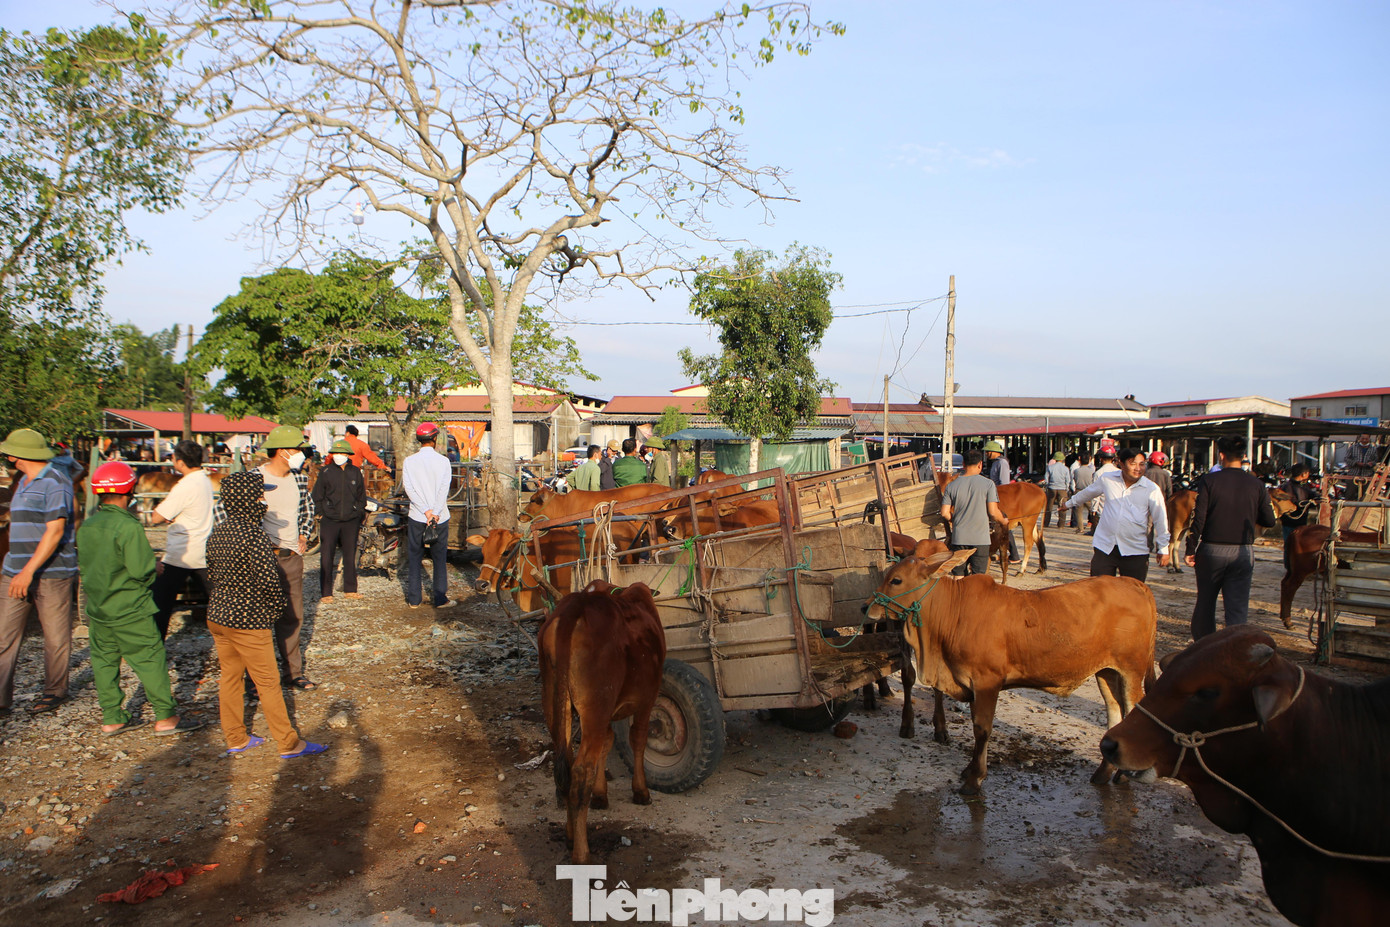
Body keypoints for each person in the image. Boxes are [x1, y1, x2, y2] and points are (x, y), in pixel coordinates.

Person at [205, 471, 327, 759]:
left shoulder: (218, 532)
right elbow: (270, 583)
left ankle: (236, 737)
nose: (264, 501)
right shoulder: (255, 536)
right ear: (248, 499)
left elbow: (211, 574)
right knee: (269, 682)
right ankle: (288, 743)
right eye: (260, 495)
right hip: (247, 620)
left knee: (230, 678)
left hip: (218, 616)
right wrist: (271, 612)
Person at [77, 462, 200, 735]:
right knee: (150, 658)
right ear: (129, 490)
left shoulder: (88, 526)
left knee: (104, 661)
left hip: (98, 608)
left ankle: (112, 717)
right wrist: (154, 566)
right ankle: (165, 717)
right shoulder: (127, 526)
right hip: (129, 607)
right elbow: (141, 570)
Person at [0, 428, 78, 715]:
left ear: (18, 455)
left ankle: (55, 690)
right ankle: (1, 698)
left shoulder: (56, 481)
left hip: (51, 573)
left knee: (56, 636)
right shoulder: (22, 481)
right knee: (4, 635)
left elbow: (55, 531)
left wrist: (28, 571)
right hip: (13, 569)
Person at [1185, 435, 1276, 639]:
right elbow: (1269, 520)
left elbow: (1199, 519)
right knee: (1237, 609)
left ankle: (1204, 649)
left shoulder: (1209, 480)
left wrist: (1191, 549)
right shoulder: (1256, 485)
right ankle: (1234, 652)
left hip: (1211, 551)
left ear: (1221, 455)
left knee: (1205, 604)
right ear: (1244, 456)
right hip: (1243, 552)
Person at [255, 424, 317, 690]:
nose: (301, 454)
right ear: (282, 452)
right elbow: (228, 516)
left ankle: (293, 673)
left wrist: (303, 533)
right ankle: (257, 679)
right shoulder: (253, 479)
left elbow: (307, 510)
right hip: (262, 560)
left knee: (292, 617)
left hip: (291, 557)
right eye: (297, 449)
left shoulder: (299, 479)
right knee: (258, 619)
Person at [1065, 446, 1170, 581]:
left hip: (1135, 550)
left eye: (1142, 464)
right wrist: (1068, 504)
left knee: (1131, 594)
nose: (1138, 468)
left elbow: (1160, 519)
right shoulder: (1108, 479)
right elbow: (1088, 492)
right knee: (1099, 590)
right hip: (1105, 547)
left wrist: (1163, 549)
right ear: (1121, 463)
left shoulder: (1151, 489)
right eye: (1133, 463)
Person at [149, 440, 215, 639]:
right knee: (218, 601)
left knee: (160, 602)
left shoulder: (184, 485)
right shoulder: (204, 479)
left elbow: (156, 517)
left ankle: (155, 645)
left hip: (180, 553)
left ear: (179, 462)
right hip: (203, 549)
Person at [402, 422, 453, 610]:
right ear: (434, 439)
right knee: (439, 557)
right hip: (440, 517)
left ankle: (414, 600)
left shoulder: (409, 461)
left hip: (417, 516)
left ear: (419, 440)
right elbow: (443, 489)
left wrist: (425, 511)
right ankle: (440, 598)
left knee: (414, 556)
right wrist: (436, 512)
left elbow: (410, 489)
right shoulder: (444, 461)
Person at [312, 438, 367, 603]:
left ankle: (350, 589)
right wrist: (321, 513)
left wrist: (358, 512)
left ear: (348, 455)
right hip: (330, 520)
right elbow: (317, 495)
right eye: (336, 453)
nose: (339, 455)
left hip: (350, 520)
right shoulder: (326, 472)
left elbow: (361, 496)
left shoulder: (355, 472)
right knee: (326, 556)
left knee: (350, 555)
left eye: (342, 453)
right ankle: (326, 592)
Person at [939, 450, 1009, 576]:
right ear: (980, 464)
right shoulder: (988, 484)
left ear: (963, 464)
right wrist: (1003, 521)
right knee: (978, 578)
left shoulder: (951, 486)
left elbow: (944, 513)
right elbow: (993, 512)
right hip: (980, 539)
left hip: (959, 538)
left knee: (958, 575)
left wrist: (954, 520)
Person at [981, 440, 1019, 563]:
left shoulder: (1002, 463)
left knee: (1003, 526)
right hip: (994, 495)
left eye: (988, 452)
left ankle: (1014, 554)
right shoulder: (995, 463)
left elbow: (1004, 484)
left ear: (994, 452)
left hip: (999, 497)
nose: (986, 454)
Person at [1279, 464, 1319, 565]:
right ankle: (1289, 566)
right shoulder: (1287, 487)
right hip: (1290, 521)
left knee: (1299, 545)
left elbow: (1310, 493)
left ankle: (1297, 566)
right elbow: (1294, 504)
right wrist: (1309, 503)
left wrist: (1318, 497)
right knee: (1290, 545)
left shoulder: (1302, 485)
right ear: (1303, 474)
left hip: (1301, 520)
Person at [1344, 433, 1381, 500]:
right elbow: (1346, 458)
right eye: (1362, 438)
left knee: (1365, 496)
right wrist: (1356, 463)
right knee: (1350, 495)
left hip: (1367, 476)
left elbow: (1376, 460)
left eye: (1366, 439)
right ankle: (1347, 508)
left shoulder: (1373, 449)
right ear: (1359, 438)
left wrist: (1371, 463)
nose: (1364, 440)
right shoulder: (1353, 447)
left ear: (1369, 439)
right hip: (1353, 475)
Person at [1042, 451, 1070, 528]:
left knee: (1049, 506)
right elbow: (1068, 480)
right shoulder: (1066, 469)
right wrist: (1066, 489)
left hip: (1052, 488)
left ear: (1055, 459)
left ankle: (1046, 523)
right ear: (1062, 459)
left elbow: (1046, 478)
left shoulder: (1050, 467)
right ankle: (1061, 524)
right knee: (1062, 506)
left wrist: (1048, 485)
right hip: (1062, 489)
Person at [1071, 452, 1096, 532]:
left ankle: (1080, 528)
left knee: (1078, 511)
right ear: (1089, 461)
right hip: (1089, 492)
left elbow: (1074, 480)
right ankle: (1095, 526)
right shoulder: (1092, 471)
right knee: (1092, 511)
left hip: (1079, 491)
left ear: (1080, 460)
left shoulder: (1076, 471)